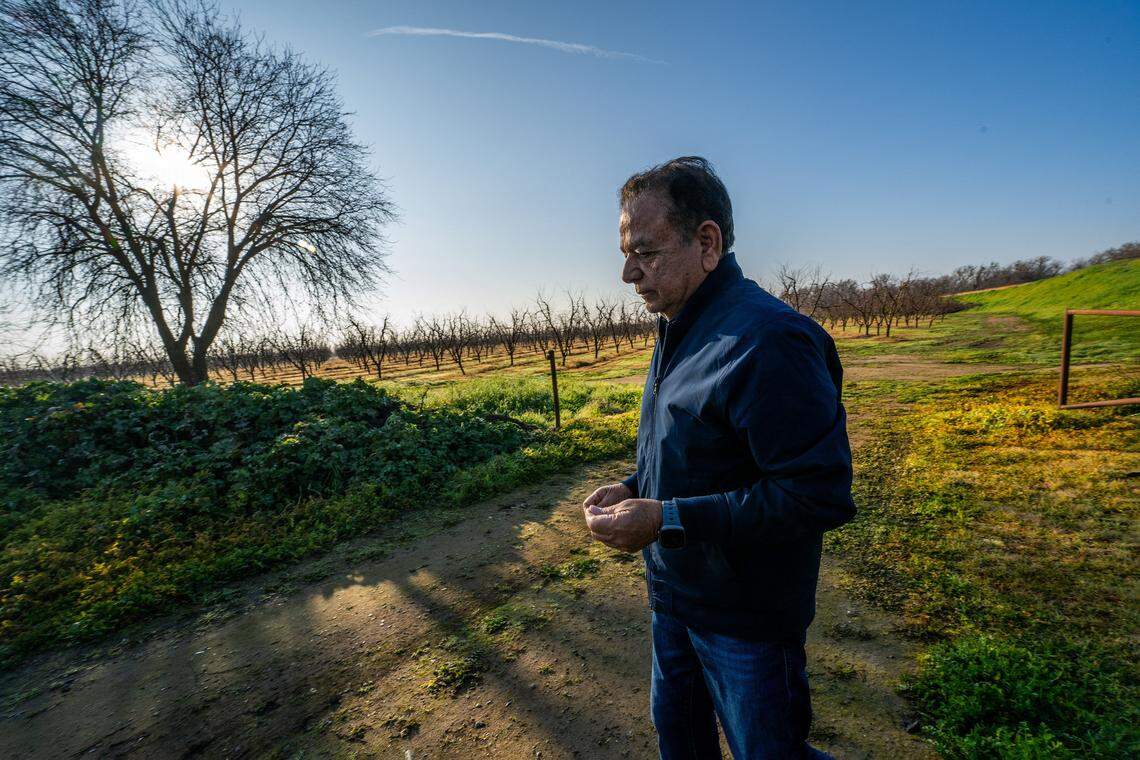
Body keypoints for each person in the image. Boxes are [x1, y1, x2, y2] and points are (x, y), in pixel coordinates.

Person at [581, 156, 855, 759]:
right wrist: (634, 488)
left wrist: (668, 519)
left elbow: (816, 493)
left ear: (707, 242)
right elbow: (700, 452)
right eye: (625, 252)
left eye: (646, 252)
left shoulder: (769, 341)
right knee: (681, 743)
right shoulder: (680, 326)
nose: (628, 273)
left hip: (745, 621)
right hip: (674, 600)